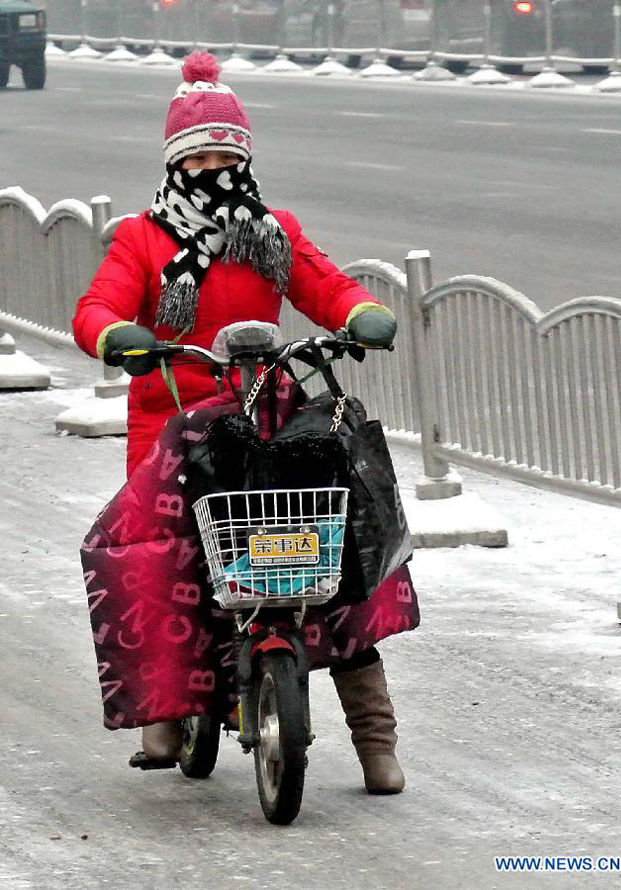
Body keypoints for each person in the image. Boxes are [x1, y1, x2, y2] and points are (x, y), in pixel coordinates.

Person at [72, 51, 414, 795]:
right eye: (199, 151)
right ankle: (163, 709)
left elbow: (326, 286)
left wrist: (361, 315)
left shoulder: (273, 230)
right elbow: (96, 307)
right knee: (164, 555)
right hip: (177, 423)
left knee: (343, 549)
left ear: (246, 155)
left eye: (228, 150)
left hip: (270, 413)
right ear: (174, 159)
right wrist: (115, 336)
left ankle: (375, 739)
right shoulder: (142, 238)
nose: (214, 162)